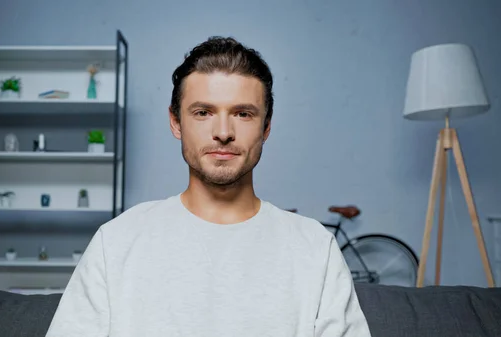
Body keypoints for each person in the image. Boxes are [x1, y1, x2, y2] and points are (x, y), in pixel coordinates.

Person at [45, 36, 371, 337]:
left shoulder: (315, 248)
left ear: (266, 128)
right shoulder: (116, 242)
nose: (223, 132)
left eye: (243, 114)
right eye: (203, 112)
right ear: (176, 122)